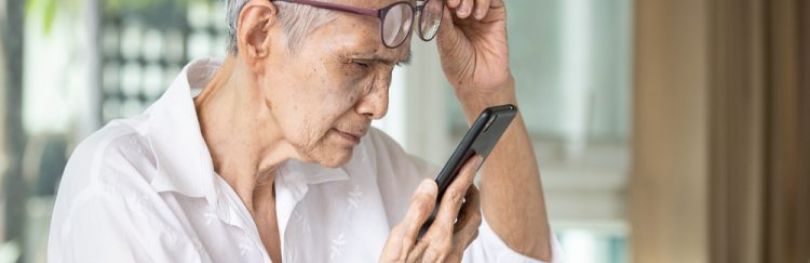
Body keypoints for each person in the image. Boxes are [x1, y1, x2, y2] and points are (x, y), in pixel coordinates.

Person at [47, 0, 563, 262]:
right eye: (358, 65)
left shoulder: (369, 167)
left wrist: (488, 91)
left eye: (392, 70)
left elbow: (519, 259)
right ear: (259, 34)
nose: (380, 104)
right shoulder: (119, 188)